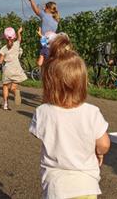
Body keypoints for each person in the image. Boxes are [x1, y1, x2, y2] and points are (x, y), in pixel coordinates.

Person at [29, 34, 111, 199]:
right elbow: (103, 144)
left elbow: (41, 135)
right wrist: (99, 152)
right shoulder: (92, 112)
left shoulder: (42, 112)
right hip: (86, 185)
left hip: (56, 186)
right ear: (81, 84)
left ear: (48, 84)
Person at [0, 27, 27, 110]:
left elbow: (0, 61)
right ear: (14, 37)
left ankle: (5, 104)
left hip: (7, 69)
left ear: (5, 37)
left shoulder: (3, 49)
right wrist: (19, 32)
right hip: (17, 68)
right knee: (13, 87)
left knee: (5, 86)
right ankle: (15, 92)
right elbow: (19, 38)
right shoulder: (17, 44)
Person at [27, 0, 60, 67]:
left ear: (48, 8)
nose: (44, 8)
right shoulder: (56, 19)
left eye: (45, 7)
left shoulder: (44, 15)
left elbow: (35, 9)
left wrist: (31, 0)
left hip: (44, 40)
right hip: (53, 42)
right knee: (49, 59)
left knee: (41, 58)